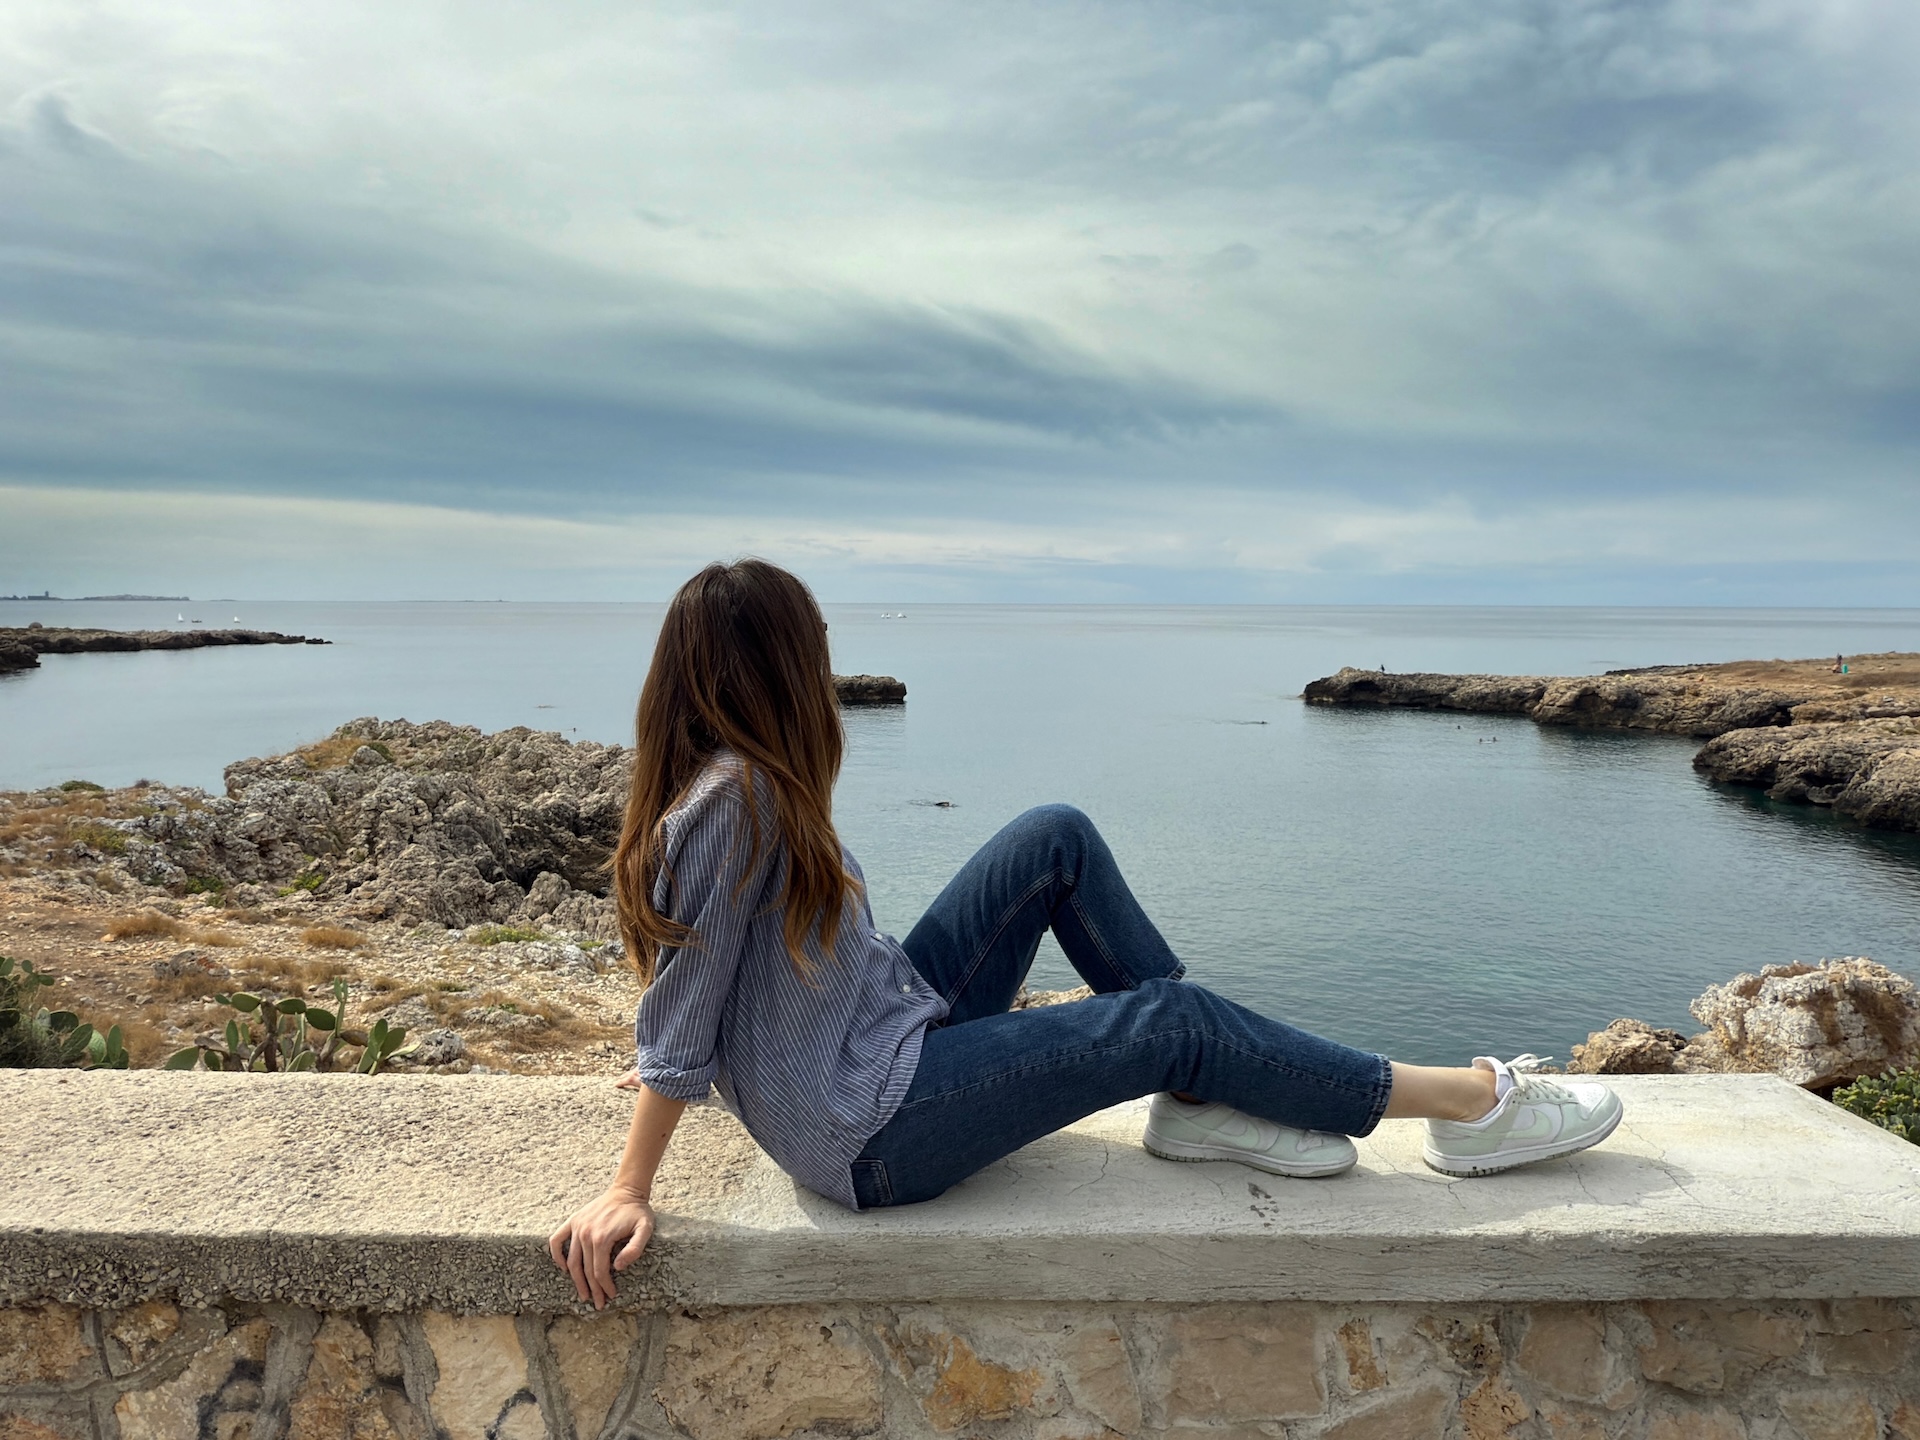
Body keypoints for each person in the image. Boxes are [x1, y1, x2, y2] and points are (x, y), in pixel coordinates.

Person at [549, 560, 1623, 1308]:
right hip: (868, 1128)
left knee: (1052, 836)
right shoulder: (736, 803)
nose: (830, 662)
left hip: (879, 1036)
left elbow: (730, 988)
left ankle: (1199, 1105)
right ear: (774, 668)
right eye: (815, 646)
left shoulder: (739, 787)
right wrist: (628, 1188)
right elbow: (680, 1025)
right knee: (1173, 1018)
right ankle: (1470, 1107)